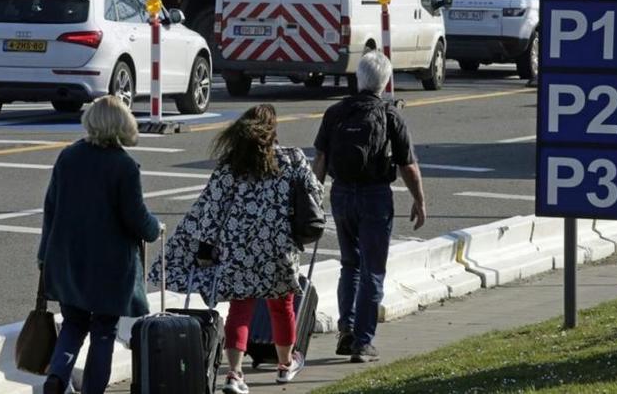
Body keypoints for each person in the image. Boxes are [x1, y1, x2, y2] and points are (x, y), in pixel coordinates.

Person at [151, 104, 323, 394]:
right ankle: (285, 365)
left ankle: (234, 373)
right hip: (278, 248)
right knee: (282, 307)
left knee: (240, 309)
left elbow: (212, 208)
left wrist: (205, 249)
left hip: (237, 249)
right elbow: (315, 191)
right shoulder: (292, 159)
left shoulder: (232, 163)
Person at [37, 95, 161, 394]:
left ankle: (57, 375)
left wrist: (44, 255)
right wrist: (154, 228)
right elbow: (135, 217)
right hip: (109, 265)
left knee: (72, 323)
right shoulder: (125, 166)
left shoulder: (68, 156)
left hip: (68, 257)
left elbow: (50, 208)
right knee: (104, 332)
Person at [313, 52, 426, 363]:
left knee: (349, 264)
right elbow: (408, 165)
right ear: (386, 81)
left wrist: (314, 198)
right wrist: (419, 199)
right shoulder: (390, 115)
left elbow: (320, 160)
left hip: (341, 195)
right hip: (375, 196)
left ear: (358, 78)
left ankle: (346, 329)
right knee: (372, 270)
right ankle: (363, 342)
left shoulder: (335, 112)